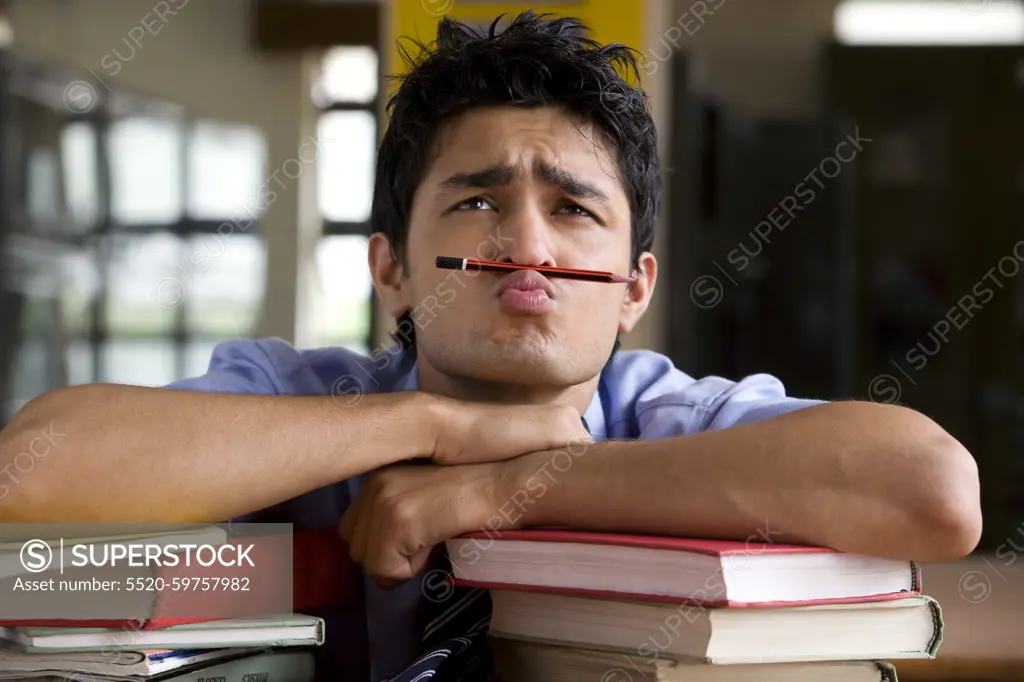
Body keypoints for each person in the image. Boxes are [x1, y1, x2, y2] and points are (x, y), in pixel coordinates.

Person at [0, 11, 981, 682]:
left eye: (572, 208)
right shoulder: (308, 395)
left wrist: (500, 486)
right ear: (389, 270)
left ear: (634, 287)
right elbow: (28, 471)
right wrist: (431, 421)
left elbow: (931, 491)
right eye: (475, 200)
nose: (527, 244)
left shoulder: (670, 417)